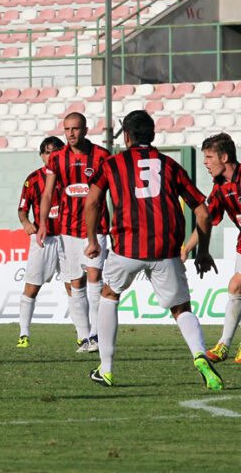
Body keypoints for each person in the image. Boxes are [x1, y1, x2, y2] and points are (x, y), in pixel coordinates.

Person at [83, 110, 222, 390]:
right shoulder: (170, 166)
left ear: (126, 136)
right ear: (153, 135)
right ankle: (199, 354)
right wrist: (202, 251)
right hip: (166, 250)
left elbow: (92, 202)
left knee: (109, 295)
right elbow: (204, 213)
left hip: (127, 247)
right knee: (181, 309)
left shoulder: (112, 164)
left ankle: (106, 369)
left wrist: (91, 240)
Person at [36, 112, 110, 352]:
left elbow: (115, 191)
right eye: (67, 129)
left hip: (96, 228)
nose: (71, 133)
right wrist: (43, 223)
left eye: (75, 129)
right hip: (68, 229)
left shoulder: (101, 156)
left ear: (85, 130)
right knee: (75, 282)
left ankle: (98, 335)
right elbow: (47, 194)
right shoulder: (56, 158)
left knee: (94, 277)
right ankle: (84, 337)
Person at [182, 133, 241, 364]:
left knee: (236, 285)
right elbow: (206, 220)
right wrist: (186, 248)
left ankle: (224, 345)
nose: (205, 162)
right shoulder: (220, 188)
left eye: (209, 156)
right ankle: (224, 347)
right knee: (236, 289)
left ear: (224, 157)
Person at [16, 136, 71, 347]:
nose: (51, 156)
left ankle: (84, 334)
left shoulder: (69, 177)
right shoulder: (33, 179)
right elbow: (22, 208)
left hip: (68, 237)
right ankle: (24, 334)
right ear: (41, 156)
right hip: (43, 239)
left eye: (55, 152)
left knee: (73, 286)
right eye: (47, 152)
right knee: (32, 286)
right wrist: (26, 223)